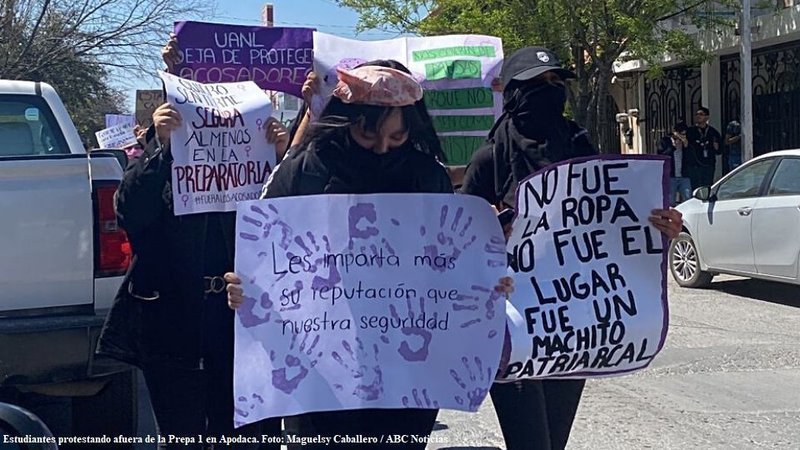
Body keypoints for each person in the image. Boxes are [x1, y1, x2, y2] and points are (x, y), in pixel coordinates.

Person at [223, 59, 513, 450]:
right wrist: (245, 286)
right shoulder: (305, 170)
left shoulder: (427, 174)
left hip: (406, 371)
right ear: (344, 121)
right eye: (367, 134)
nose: (382, 147)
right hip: (320, 372)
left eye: (397, 137)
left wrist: (485, 278)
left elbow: (448, 262)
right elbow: (263, 250)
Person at [459, 46, 683, 450]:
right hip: (509, 325)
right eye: (538, 83)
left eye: (556, 81)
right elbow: (457, 243)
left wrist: (658, 228)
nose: (551, 90)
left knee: (554, 442)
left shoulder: (579, 146)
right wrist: (489, 230)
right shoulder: (489, 159)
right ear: (513, 92)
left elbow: (606, 223)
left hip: (571, 325)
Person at [96, 38, 291, 450]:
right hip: (172, 319)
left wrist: (281, 157)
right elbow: (130, 212)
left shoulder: (264, 160)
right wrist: (161, 146)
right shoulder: (164, 156)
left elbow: (293, 228)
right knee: (181, 436)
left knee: (248, 436)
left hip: (244, 320)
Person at [686, 106, 722, 189]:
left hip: (708, 165)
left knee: (707, 186)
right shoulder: (691, 131)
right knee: (695, 187)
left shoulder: (713, 132)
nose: (698, 116)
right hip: (694, 165)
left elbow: (719, 151)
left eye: (701, 114)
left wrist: (716, 147)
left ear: (707, 117)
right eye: (697, 114)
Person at [659, 122, 692, 206]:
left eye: (684, 134)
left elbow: (692, 157)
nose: (682, 137)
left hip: (684, 175)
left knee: (688, 199)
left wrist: (686, 146)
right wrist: (673, 147)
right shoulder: (665, 141)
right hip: (671, 175)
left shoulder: (686, 141)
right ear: (675, 132)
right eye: (681, 134)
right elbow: (662, 155)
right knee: (670, 201)